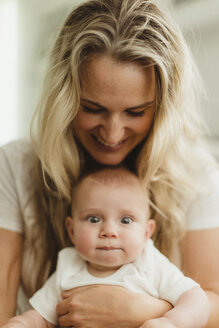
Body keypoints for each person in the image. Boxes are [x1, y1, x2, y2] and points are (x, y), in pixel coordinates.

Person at [0, 0, 219, 327]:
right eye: (92, 108)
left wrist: (140, 311)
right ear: (66, 98)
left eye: (135, 112)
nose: (113, 132)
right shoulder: (16, 164)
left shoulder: (194, 171)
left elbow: (209, 299)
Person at [3, 167, 210, 328]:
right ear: (72, 230)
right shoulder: (69, 264)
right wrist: (21, 323)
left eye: (126, 220)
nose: (109, 231)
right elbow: (41, 317)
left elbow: (196, 298)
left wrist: (172, 322)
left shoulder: (149, 262)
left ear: (147, 232)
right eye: (94, 219)